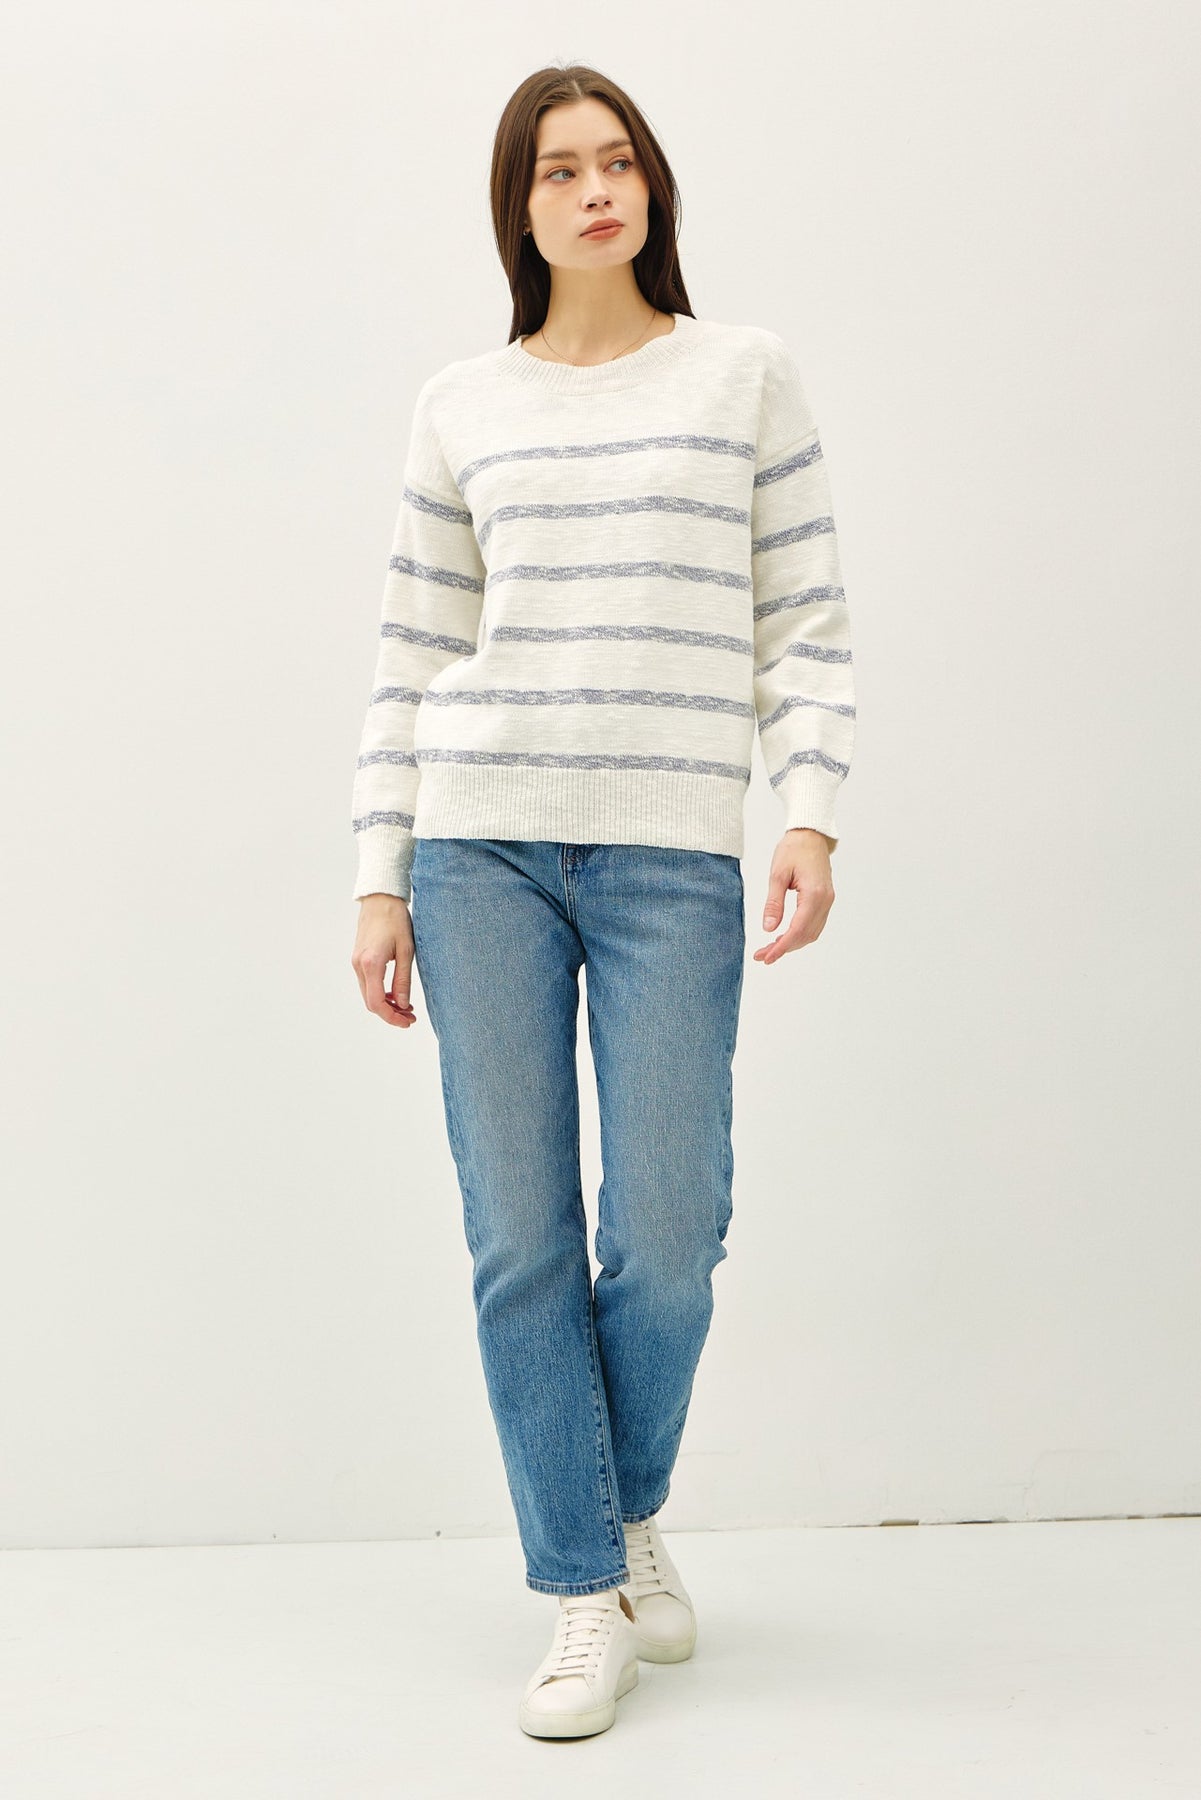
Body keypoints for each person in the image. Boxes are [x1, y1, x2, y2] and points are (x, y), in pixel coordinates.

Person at [349, 63, 856, 1740]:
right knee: (518, 1238)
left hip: (667, 854)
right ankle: (585, 1586)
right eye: (559, 169)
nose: (593, 191)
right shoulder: (461, 403)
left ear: (652, 188)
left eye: (617, 161)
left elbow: (804, 617)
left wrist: (810, 811)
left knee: (669, 1229)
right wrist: (377, 874)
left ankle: (622, 1511)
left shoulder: (740, 374)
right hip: (476, 848)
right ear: (520, 205)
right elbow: (412, 653)